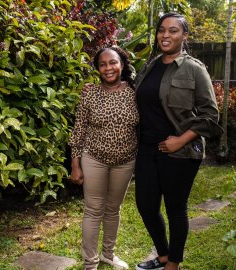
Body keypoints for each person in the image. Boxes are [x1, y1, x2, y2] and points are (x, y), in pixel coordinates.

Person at [134, 13, 220, 270]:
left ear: (184, 36)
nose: (166, 35)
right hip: (147, 148)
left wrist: (180, 140)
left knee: (175, 208)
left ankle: (173, 264)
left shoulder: (194, 69)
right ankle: (162, 256)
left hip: (179, 152)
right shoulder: (149, 66)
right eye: (162, 30)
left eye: (173, 31)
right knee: (146, 206)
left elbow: (210, 115)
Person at [69, 46, 139, 270]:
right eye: (103, 64)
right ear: (98, 68)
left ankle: (108, 254)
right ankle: (90, 263)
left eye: (113, 62)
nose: (108, 68)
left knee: (113, 209)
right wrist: (75, 164)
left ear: (122, 64)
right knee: (93, 210)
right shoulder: (89, 93)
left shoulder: (134, 91)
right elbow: (78, 130)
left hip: (125, 161)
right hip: (94, 158)